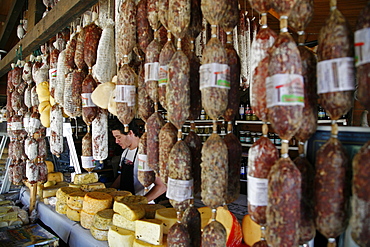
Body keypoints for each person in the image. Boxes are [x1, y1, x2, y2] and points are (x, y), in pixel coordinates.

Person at [110, 120, 167, 202]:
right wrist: (110, 191)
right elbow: (122, 175)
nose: (116, 141)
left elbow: (162, 186)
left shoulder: (147, 154)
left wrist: (141, 202)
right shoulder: (125, 152)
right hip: (126, 202)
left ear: (130, 133)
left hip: (143, 205)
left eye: (119, 137)